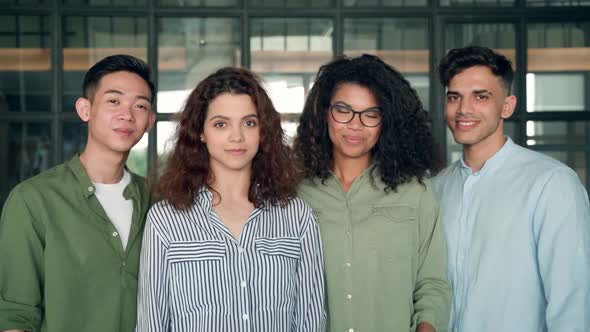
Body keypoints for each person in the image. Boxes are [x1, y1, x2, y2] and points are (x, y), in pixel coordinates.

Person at [136, 67, 326, 331]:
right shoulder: (166, 220)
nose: (236, 136)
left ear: (263, 132)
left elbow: (311, 318)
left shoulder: (296, 216)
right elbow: (152, 323)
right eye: (221, 124)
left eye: (249, 123)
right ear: (200, 132)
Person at [434, 45, 590, 332]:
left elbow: (573, 303)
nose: (463, 109)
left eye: (481, 96)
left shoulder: (552, 183)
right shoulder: (437, 188)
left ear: (507, 106)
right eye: (454, 97)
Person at [294, 54, 451, 332]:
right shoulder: (295, 191)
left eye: (371, 114)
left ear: (386, 121)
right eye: (343, 110)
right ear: (324, 113)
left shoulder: (415, 191)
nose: (355, 125)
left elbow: (432, 283)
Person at [0, 54, 156, 332]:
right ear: (85, 109)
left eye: (140, 105)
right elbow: (15, 316)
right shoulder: (33, 200)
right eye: (113, 101)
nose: (127, 114)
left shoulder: (157, 201)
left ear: (150, 121)